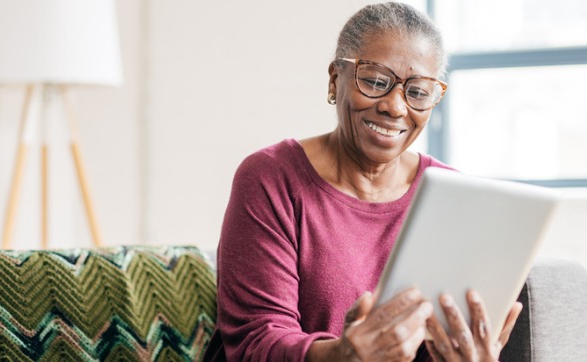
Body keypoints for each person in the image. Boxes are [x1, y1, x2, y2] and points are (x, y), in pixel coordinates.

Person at [204, 3, 522, 361]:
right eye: (374, 81)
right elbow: (255, 342)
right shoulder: (271, 177)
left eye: (417, 92)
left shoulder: (451, 195)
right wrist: (342, 354)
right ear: (334, 79)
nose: (395, 107)